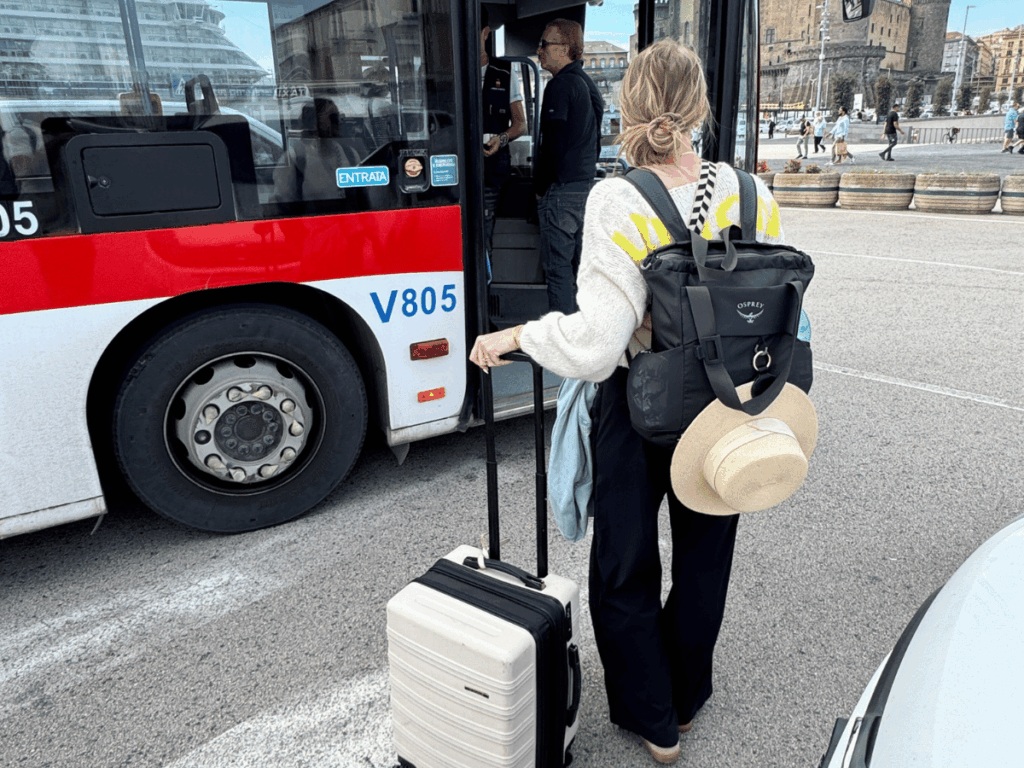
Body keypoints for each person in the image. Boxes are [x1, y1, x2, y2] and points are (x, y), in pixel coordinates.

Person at [469, 39, 786, 766]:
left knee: (625, 564)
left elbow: (594, 345)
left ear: (629, 105)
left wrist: (515, 336)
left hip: (642, 403)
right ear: (700, 107)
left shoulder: (619, 197)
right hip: (729, 408)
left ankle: (654, 720)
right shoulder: (752, 193)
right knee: (705, 560)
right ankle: (686, 698)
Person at [533, 18, 604, 314]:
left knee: (558, 270)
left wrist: (540, 188)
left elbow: (553, 144)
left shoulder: (559, 85)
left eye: (544, 44)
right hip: (585, 188)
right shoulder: (586, 83)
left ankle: (563, 335)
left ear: (563, 49)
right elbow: (595, 136)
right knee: (581, 269)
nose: (539, 50)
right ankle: (585, 329)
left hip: (560, 192)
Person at [480, 6, 527, 254]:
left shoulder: (506, 73)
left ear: (485, 33)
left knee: (484, 233)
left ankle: (484, 277)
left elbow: (520, 124)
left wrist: (501, 138)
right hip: (453, 172)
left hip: (491, 170)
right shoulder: (448, 74)